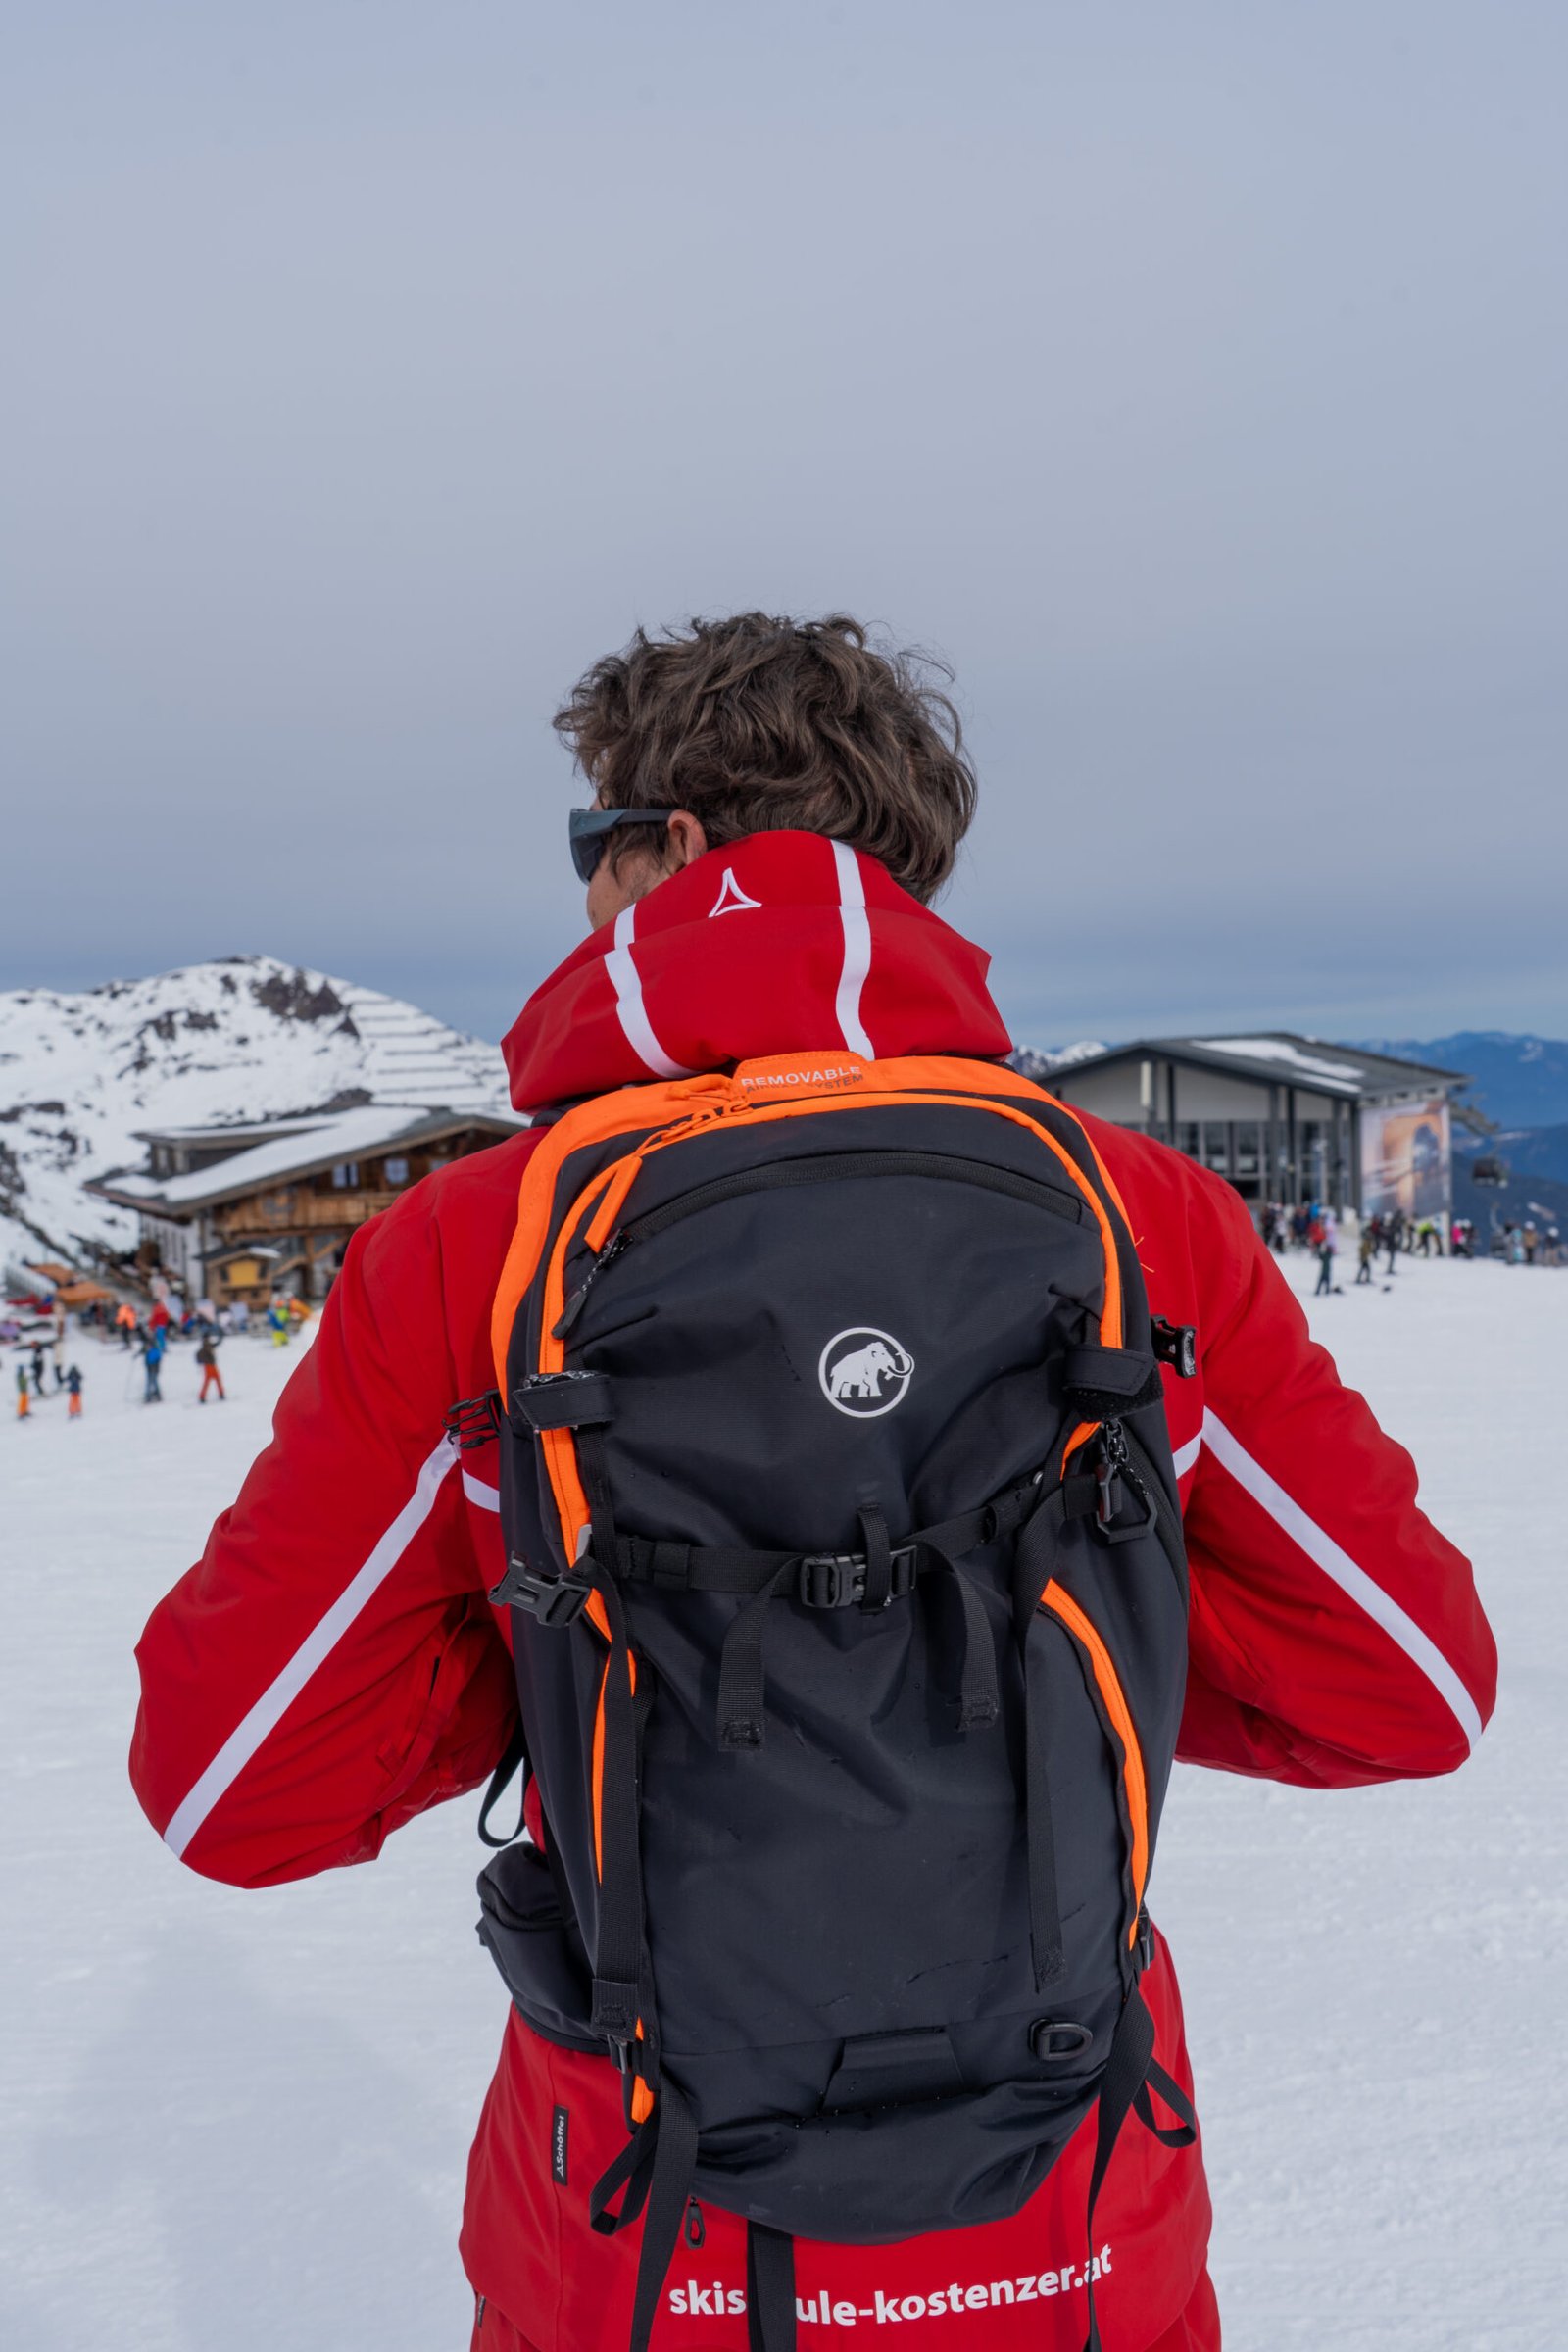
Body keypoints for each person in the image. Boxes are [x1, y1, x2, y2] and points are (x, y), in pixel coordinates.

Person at [130, 614, 1495, 2352]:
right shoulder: (1137, 1217)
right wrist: (1057, 1647)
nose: (580, 896)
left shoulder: (477, 1244)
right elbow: (1410, 1686)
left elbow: (232, 1786)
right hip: (1073, 2228)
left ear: (675, 848)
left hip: (643, 2242)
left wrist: (581, 1655)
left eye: (589, 845)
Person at [195, 1332, 225, 1403]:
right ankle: (203, 1396)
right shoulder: (206, 1344)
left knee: (213, 1379)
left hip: (210, 1365)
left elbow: (213, 1345)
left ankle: (220, 1394)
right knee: (212, 1380)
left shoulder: (206, 1344)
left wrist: (219, 1340)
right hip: (209, 1365)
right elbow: (211, 1348)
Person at [140, 1324, 165, 1404]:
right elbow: (143, 1350)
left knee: (152, 1380)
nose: (149, 1334)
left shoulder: (155, 1342)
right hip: (148, 1364)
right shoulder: (147, 1341)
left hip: (154, 1365)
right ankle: (155, 1394)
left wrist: (156, 1362)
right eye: (148, 1332)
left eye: (150, 1332)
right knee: (151, 1380)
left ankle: (150, 1395)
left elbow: (157, 1354)